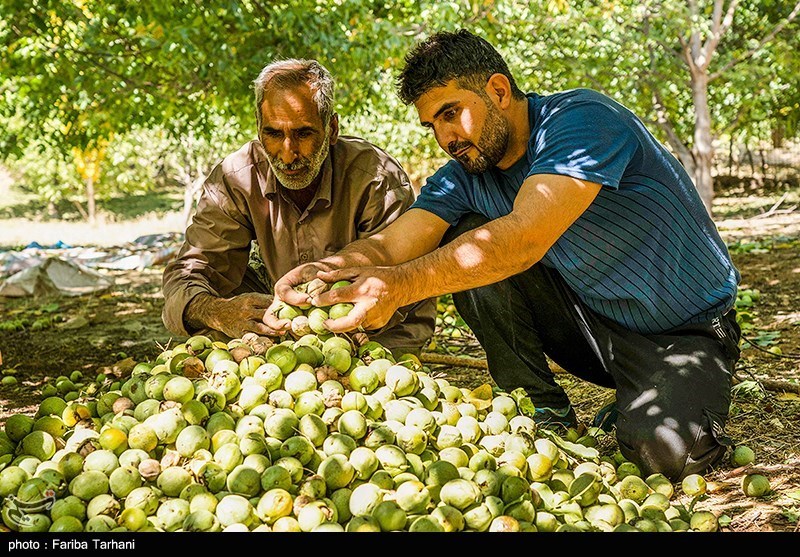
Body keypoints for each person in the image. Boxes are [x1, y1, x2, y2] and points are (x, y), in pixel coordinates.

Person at [265, 30, 742, 482]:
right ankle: (541, 408)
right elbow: (391, 244)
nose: (445, 138)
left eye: (451, 113)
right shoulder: (465, 173)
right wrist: (327, 270)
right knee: (464, 234)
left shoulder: (581, 122)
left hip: (684, 333)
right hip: (594, 328)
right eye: (433, 124)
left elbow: (523, 237)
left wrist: (401, 286)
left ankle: (647, 397)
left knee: (666, 456)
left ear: (497, 90)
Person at [161, 58, 436, 357]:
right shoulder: (235, 179)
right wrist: (218, 312)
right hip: (284, 324)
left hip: (377, 326)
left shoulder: (376, 178)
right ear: (258, 127)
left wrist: (337, 325)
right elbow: (189, 274)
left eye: (303, 134)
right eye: (274, 134)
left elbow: (399, 280)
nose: (288, 154)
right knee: (209, 315)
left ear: (331, 129)